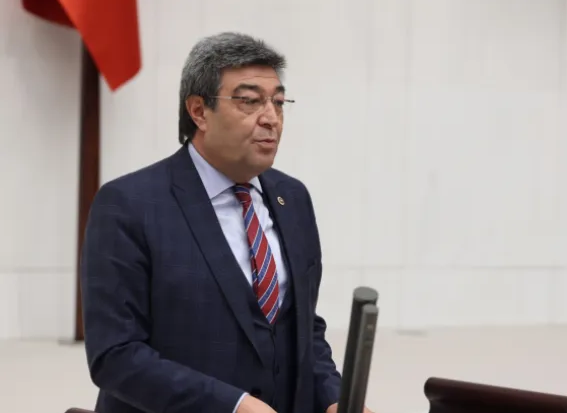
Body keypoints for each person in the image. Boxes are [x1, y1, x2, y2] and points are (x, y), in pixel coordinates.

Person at [81, 32, 366, 413]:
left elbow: (303, 331)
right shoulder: (129, 205)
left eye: (279, 102)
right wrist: (232, 405)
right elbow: (115, 355)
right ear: (199, 111)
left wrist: (335, 398)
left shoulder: (292, 198)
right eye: (250, 101)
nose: (271, 118)